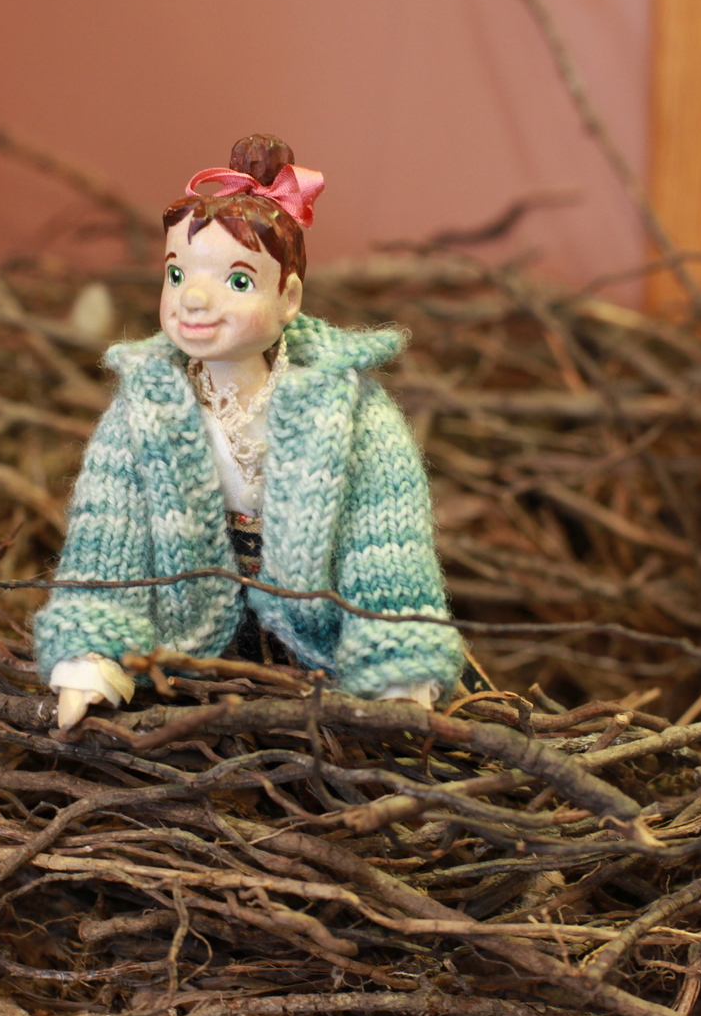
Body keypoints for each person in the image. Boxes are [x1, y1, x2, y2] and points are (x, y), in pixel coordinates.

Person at [34, 134, 464, 728]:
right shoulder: (145, 407)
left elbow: (385, 539)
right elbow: (108, 537)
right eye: (177, 274)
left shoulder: (350, 411)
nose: (193, 300)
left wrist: (397, 659)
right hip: (182, 645)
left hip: (314, 645)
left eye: (237, 282)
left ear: (288, 298)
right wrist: (93, 649)